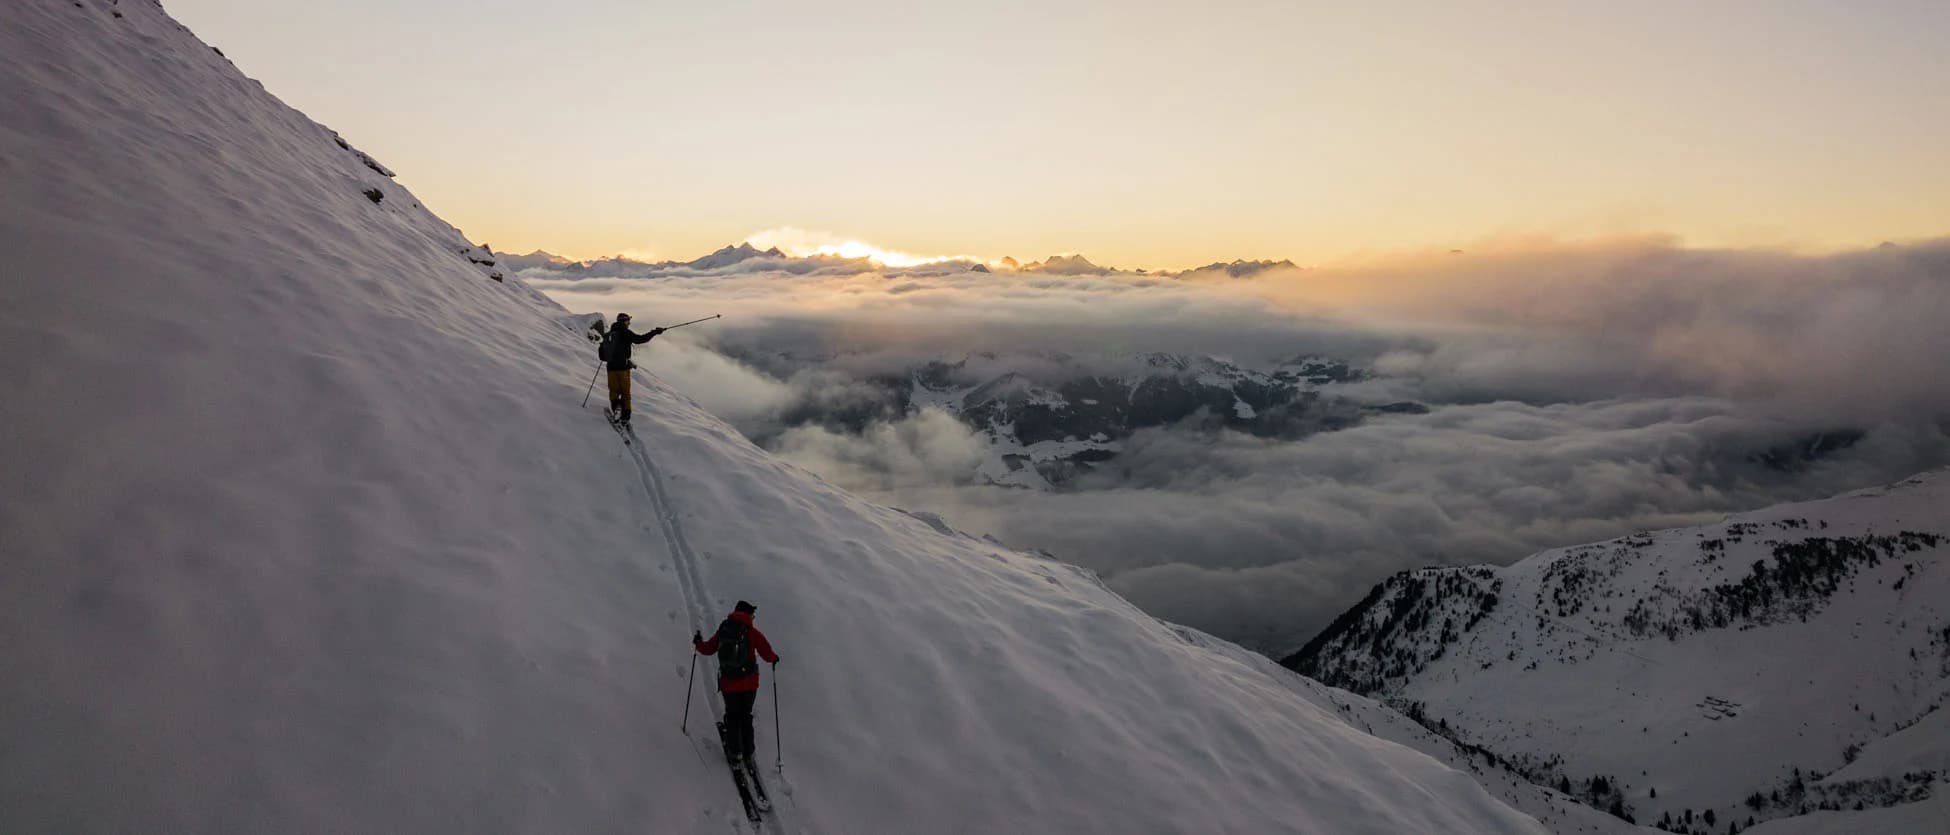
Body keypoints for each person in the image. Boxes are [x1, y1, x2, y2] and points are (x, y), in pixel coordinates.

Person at [694, 600, 780, 765]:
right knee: (745, 716)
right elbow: (767, 653)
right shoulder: (752, 633)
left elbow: (708, 649)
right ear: (748, 614)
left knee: (733, 717)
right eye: (752, 615)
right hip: (749, 685)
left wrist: (698, 643)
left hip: (729, 684)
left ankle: (736, 753)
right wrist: (775, 659)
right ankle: (749, 752)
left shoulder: (724, 630)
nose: (753, 618)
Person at [601, 313, 664, 425]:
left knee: (614, 391)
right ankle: (625, 416)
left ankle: (616, 408)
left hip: (611, 368)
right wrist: (654, 332)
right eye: (628, 321)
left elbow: (602, 354)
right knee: (625, 393)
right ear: (624, 321)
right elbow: (640, 339)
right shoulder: (626, 333)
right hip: (623, 368)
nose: (629, 323)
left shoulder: (608, 334)